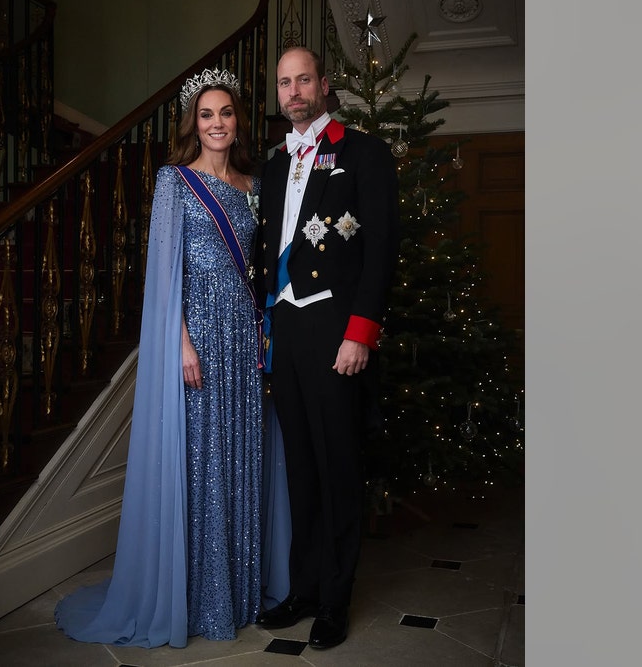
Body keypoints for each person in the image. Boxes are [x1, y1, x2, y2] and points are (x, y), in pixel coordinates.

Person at [54, 68, 290, 648]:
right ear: (195, 124)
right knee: (202, 458)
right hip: (198, 338)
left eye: (226, 114)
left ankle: (236, 590)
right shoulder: (174, 183)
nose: (217, 124)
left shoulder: (254, 186)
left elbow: (264, 268)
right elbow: (165, 273)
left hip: (242, 337)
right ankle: (197, 596)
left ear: (238, 123)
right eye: (206, 115)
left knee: (242, 456)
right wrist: (180, 341)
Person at [253, 47, 400, 649]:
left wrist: (360, 332)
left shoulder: (363, 152)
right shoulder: (270, 165)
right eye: (284, 83)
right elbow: (268, 251)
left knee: (338, 467)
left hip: (337, 332)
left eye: (303, 79)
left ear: (324, 84)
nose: (293, 91)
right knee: (301, 468)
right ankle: (306, 587)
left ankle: (336, 600)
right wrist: (266, 326)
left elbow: (381, 248)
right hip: (286, 329)